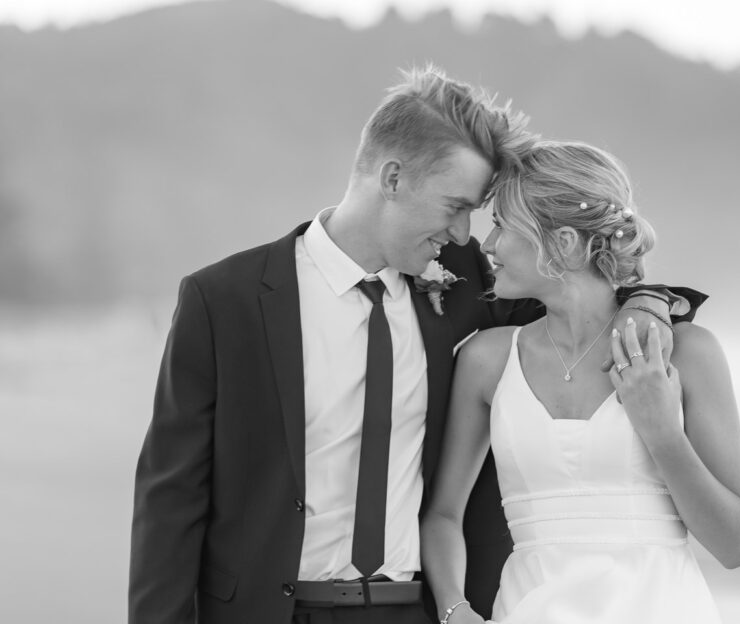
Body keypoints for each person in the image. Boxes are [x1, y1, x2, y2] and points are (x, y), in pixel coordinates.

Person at [129, 66, 701, 624]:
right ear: (394, 178)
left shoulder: (467, 281)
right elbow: (171, 495)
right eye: (456, 208)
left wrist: (647, 301)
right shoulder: (224, 299)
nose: (462, 233)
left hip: (415, 611)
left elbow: (581, 295)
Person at [421, 140, 740, 623]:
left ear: (561, 243)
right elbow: (442, 516)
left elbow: (737, 544)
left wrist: (660, 430)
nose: (488, 245)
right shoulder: (488, 359)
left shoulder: (688, 353)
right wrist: (456, 611)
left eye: (501, 225)